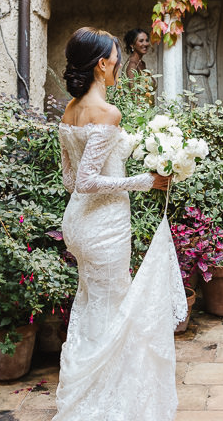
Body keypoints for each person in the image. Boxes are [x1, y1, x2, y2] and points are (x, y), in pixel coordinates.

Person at [55, 28, 180, 421]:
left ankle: (91, 391)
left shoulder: (70, 110)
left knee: (93, 306)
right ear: (102, 64)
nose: (118, 64)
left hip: (77, 223)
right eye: (114, 57)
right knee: (114, 310)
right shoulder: (107, 113)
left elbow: (70, 181)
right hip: (103, 227)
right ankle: (105, 404)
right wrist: (147, 181)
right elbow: (89, 182)